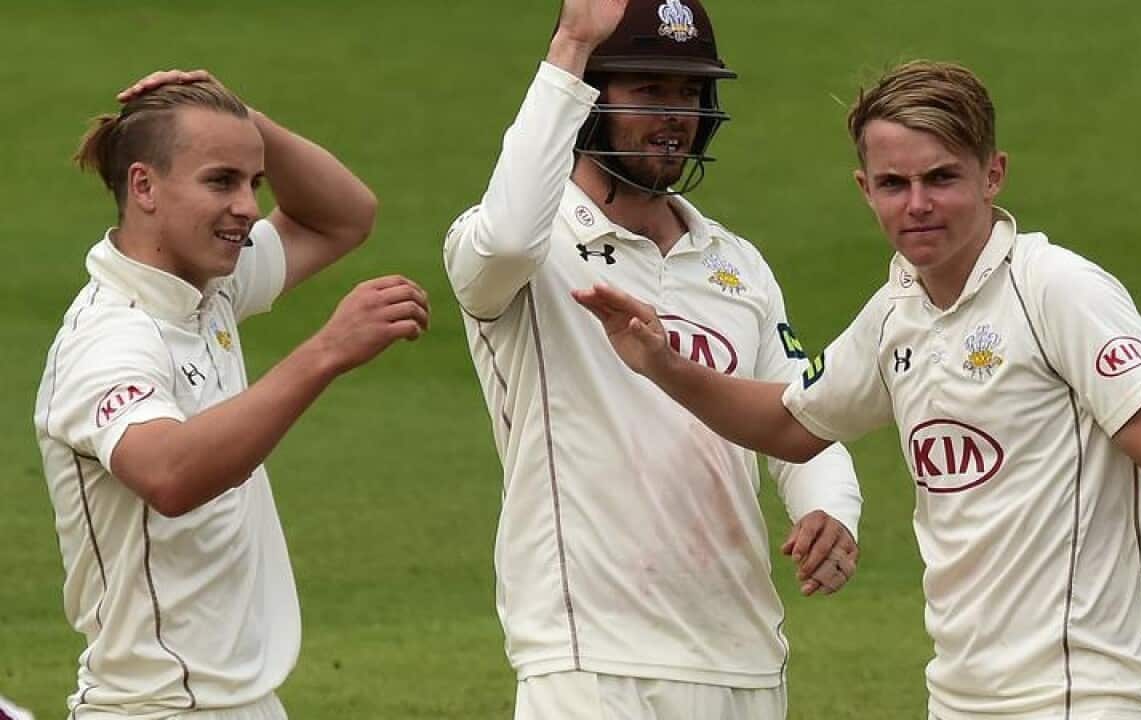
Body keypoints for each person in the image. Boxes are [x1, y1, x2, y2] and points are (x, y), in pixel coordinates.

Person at [574, 60, 1141, 719]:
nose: (917, 204)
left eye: (941, 178)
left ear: (992, 173)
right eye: (894, 183)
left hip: (1084, 696)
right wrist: (665, 367)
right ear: (865, 189)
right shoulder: (895, 314)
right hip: (957, 701)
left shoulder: (1056, 289)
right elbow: (790, 426)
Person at [442, 0, 863, 716]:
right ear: (589, 98)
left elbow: (800, 411)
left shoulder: (737, 264)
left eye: (689, 93)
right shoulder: (526, 250)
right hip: (589, 659)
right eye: (648, 91)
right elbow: (508, 238)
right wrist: (572, 41)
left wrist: (831, 506)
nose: (675, 114)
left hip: (743, 657)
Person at [34, 70, 429, 719]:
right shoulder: (109, 339)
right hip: (158, 707)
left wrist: (241, 120)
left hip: (237, 701)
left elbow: (343, 217)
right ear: (144, 186)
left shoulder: (204, 289)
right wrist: (326, 351)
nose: (247, 206)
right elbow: (169, 472)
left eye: (255, 183)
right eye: (221, 181)